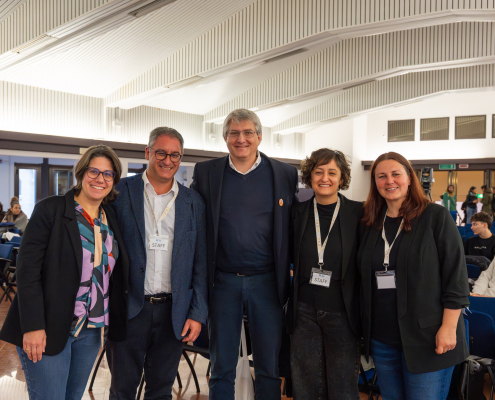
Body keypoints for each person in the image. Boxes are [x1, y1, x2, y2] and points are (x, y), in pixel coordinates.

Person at [0, 145, 129, 400]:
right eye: (94, 171)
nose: (100, 179)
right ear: (81, 173)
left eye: (108, 174)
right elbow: (27, 272)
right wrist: (33, 326)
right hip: (48, 325)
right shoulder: (51, 210)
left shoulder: (110, 217)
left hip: (90, 330)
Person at [191, 108, 299, 400]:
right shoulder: (206, 172)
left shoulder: (285, 174)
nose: (241, 139)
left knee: (268, 368)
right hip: (223, 282)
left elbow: (293, 225)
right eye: (234, 133)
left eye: (248, 132)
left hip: (267, 282)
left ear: (259, 137)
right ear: (225, 137)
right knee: (221, 367)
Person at [106, 127, 207, 400]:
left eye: (175, 155)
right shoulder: (119, 192)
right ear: (148, 152)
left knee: (161, 392)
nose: (168, 160)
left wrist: (197, 313)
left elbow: (200, 263)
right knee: (121, 391)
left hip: (173, 313)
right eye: (161, 153)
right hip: (129, 308)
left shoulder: (193, 202)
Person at [359, 152, 469, 400]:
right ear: (375, 182)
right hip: (382, 339)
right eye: (381, 176)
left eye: (396, 174)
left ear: (410, 178)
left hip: (428, 337)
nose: (389, 181)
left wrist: (449, 327)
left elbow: (456, 277)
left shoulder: (435, 217)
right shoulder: (370, 222)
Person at [288, 148, 362, 400]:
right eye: (318, 172)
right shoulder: (296, 213)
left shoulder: (359, 213)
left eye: (332, 172)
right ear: (310, 177)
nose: (325, 178)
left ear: (342, 178)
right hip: (303, 310)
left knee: (343, 385)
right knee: (305, 383)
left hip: (342, 311)